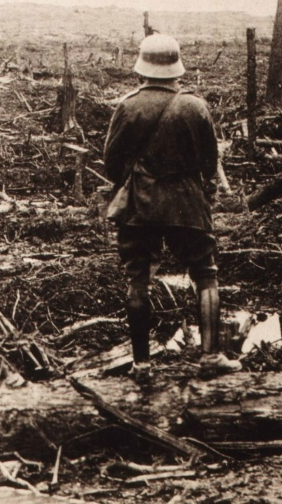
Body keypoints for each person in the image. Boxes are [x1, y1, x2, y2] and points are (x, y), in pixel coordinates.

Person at [104, 33, 242, 380]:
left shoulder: (127, 105)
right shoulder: (196, 106)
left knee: (138, 279)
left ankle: (141, 364)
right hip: (187, 204)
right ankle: (210, 358)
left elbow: (110, 165)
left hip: (139, 205)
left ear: (142, 69)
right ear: (176, 68)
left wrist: (137, 179)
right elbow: (210, 163)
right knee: (205, 273)